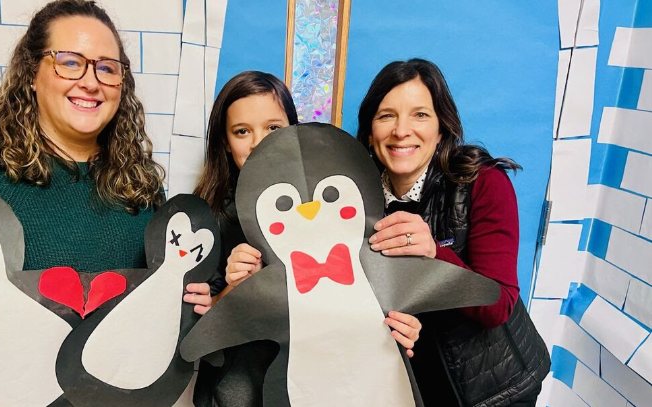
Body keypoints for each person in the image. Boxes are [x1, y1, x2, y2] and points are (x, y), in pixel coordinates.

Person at [0, 0, 212, 358]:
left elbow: (158, 296)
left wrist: (191, 299)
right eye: (70, 63)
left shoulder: (140, 184)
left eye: (107, 68)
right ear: (31, 74)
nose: (91, 82)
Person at [193, 71, 422, 407]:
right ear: (225, 142)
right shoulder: (211, 218)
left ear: (294, 132)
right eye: (242, 131)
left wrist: (403, 324)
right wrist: (233, 289)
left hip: (324, 382)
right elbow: (203, 326)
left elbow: (378, 291)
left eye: (274, 128)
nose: (260, 143)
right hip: (240, 386)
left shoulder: (334, 205)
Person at [356, 58, 550, 406]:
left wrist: (434, 253)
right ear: (370, 133)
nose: (402, 130)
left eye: (420, 115)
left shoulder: (483, 183)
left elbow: (498, 305)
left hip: (494, 388)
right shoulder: (352, 198)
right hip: (408, 387)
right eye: (386, 115)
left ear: (441, 128)